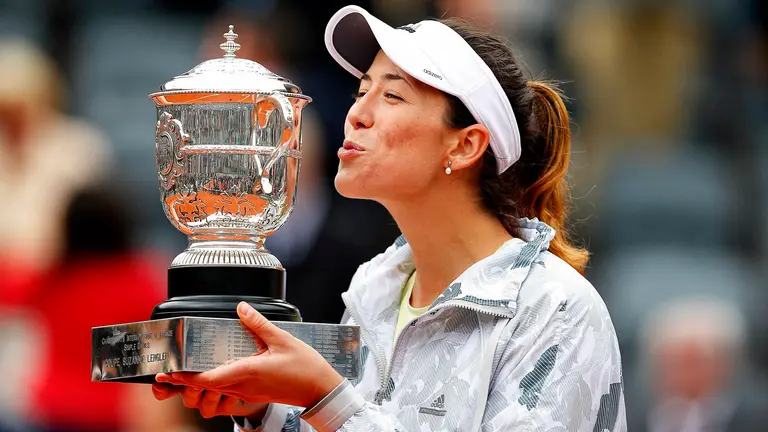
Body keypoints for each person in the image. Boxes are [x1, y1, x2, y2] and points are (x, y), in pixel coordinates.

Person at [152, 5, 627, 431]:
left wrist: (327, 400)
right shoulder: (372, 290)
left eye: (393, 96)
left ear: (465, 145)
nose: (357, 113)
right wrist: (264, 411)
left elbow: (345, 416)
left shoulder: (555, 309)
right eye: (362, 90)